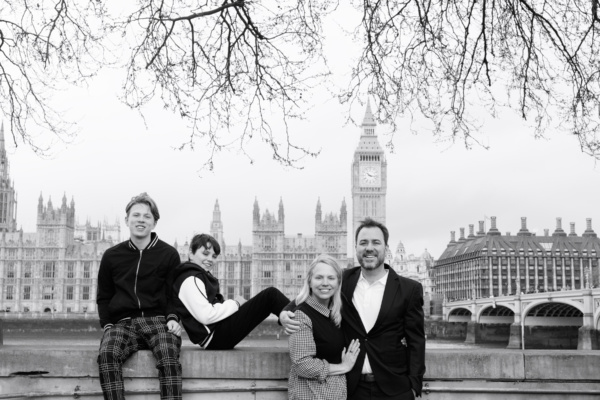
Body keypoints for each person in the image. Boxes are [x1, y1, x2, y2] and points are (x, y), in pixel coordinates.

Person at [281, 218, 426, 400]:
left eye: (376, 242)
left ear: (386, 247)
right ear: (355, 247)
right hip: (351, 388)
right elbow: (307, 296)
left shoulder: (409, 289)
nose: (369, 248)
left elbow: (417, 341)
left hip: (395, 389)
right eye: (363, 243)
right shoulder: (342, 280)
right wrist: (284, 312)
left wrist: (414, 386)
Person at [96, 193, 183, 400]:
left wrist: (172, 318)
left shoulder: (169, 254)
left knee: (169, 358)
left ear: (154, 222)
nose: (141, 220)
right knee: (107, 356)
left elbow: (174, 295)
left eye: (146, 216)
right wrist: (108, 325)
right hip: (123, 323)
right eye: (136, 215)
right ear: (126, 220)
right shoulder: (112, 255)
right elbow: (104, 296)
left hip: (158, 321)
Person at [172, 233, 290, 349]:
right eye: (205, 254)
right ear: (191, 254)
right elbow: (206, 316)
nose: (210, 259)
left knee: (270, 297)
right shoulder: (190, 278)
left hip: (217, 332)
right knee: (270, 296)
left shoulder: (195, 275)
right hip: (215, 336)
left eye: (214, 256)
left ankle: (298, 322)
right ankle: (304, 324)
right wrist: (235, 303)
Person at [288, 254, 361, 400]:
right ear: (309, 281)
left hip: (336, 393)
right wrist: (343, 367)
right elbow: (302, 364)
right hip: (312, 394)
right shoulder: (302, 315)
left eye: (331, 278)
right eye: (319, 277)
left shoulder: (335, 313)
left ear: (338, 282)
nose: (325, 283)